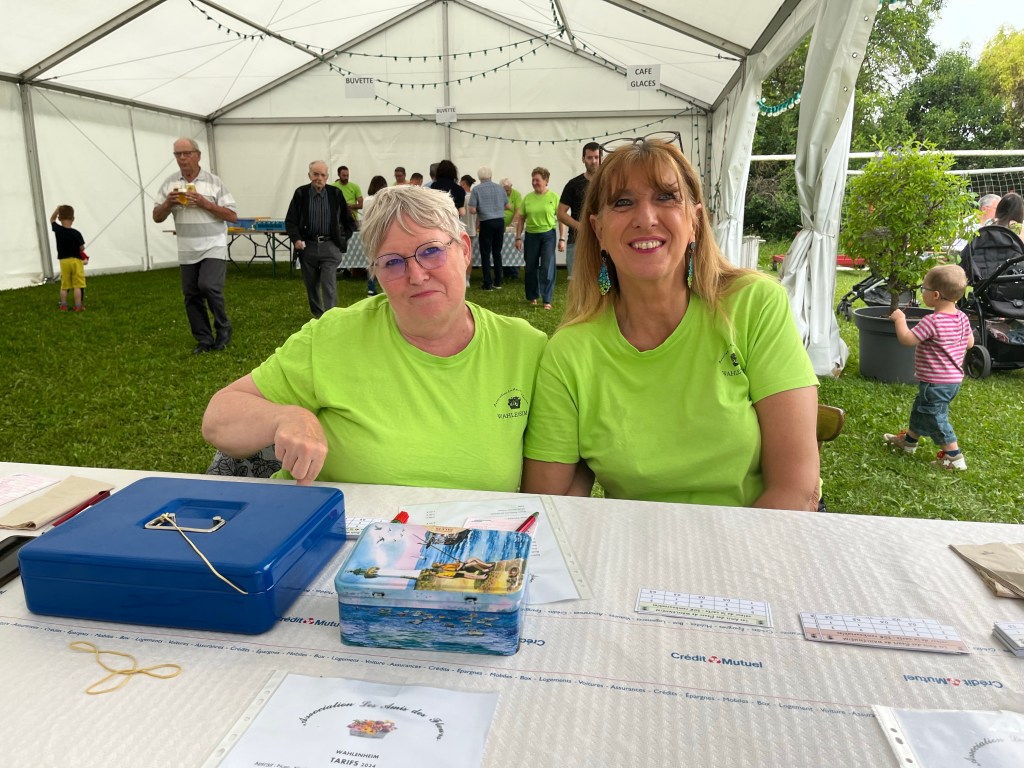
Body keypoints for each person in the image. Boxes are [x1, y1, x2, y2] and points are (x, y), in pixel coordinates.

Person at [521, 136, 820, 509]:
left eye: (666, 197)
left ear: (694, 222)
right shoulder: (569, 352)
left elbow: (796, 489)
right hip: (634, 540)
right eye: (623, 202)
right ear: (598, 231)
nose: (646, 218)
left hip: (756, 535)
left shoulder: (754, 305)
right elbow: (548, 503)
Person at [202, 185, 548, 491]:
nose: (416, 275)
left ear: (465, 250)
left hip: (477, 540)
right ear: (376, 275)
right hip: (339, 533)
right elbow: (219, 417)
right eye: (393, 262)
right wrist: (286, 418)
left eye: (431, 251)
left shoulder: (524, 348)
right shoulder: (334, 336)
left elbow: (551, 488)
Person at [884, 264, 974, 471]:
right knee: (921, 409)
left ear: (935, 295)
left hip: (935, 383)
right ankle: (909, 442)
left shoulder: (932, 321)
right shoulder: (962, 317)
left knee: (936, 417)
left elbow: (907, 339)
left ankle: (954, 457)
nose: (922, 292)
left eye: (923, 288)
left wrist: (900, 319)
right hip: (952, 381)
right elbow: (970, 343)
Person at [153, 137, 238, 354]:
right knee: (191, 294)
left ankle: (223, 328)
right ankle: (204, 339)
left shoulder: (214, 182)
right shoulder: (170, 184)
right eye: (178, 154)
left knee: (209, 286)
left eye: (186, 153)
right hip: (187, 249)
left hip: (213, 245)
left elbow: (232, 215)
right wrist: (168, 203)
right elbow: (157, 217)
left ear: (198, 155)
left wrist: (205, 203)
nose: (182, 158)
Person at [285, 160, 354, 318]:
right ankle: (318, 316)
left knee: (328, 283)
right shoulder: (301, 193)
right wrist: (296, 239)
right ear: (309, 175)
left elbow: (349, 221)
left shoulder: (335, 194)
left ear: (327, 177)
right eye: (316, 174)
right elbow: (290, 221)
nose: (319, 178)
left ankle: (330, 317)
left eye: (323, 175)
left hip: (330, 246)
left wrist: (342, 239)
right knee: (311, 285)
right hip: (307, 246)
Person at [515, 167, 562, 310]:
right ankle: (533, 296)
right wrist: (518, 237)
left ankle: (547, 299)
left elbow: (561, 219)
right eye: (533, 180)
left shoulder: (554, 197)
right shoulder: (528, 198)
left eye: (537, 180)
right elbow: (521, 219)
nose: (534, 183)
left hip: (548, 235)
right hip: (531, 235)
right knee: (530, 267)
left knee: (547, 267)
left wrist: (562, 239)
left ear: (546, 181)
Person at [558, 142, 602, 278]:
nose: (593, 161)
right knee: (577, 283)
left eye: (596, 157)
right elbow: (560, 213)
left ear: (601, 158)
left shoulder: (609, 183)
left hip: (604, 241)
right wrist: (581, 227)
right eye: (589, 157)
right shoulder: (573, 184)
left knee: (603, 284)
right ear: (583, 159)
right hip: (577, 241)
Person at [469, 167, 510, 290]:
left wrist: (483, 208)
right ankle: (498, 281)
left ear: (479, 177)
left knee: (485, 253)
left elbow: (472, 210)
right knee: (497, 252)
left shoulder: (476, 190)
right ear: (491, 176)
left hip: (486, 222)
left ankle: (487, 283)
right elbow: (507, 206)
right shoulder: (500, 188)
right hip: (499, 221)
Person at [50, 205, 86, 312]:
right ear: (73, 219)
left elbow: (52, 219)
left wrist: (57, 209)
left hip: (64, 261)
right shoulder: (76, 233)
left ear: (59, 218)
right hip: (76, 261)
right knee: (77, 285)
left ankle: (64, 306)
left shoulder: (58, 230)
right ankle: (78, 306)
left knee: (65, 285)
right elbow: (82, 248)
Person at [362, 176, 389, 295]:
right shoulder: (383, 200)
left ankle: (371, 288)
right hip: (382, 232)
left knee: (372, 261)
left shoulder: (367, 200)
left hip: (369, 233)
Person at [501, 178, 522, 281]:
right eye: (504, 190)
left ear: (511, 187)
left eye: (508, 189)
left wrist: (511, 225)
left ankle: (514, 272)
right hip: (500, 225)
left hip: (512, 227)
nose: (506, 192)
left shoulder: (516, 194)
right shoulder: (499, 194)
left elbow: (518, 212)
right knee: (502, 249)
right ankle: (505, 272)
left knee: (512, 248)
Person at [331, 165, 363, 230]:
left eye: (347, 175)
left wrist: (350, 206)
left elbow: (361, 205)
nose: (346, 177)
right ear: (338, 175)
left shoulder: (355, 187)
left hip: (352, 219)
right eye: (344, 175)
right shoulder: (333, 187)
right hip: (338, 220)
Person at [460, 174, 478, 287]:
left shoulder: (462, 197)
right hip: (472, 229)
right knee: (469, 255)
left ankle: (462, 277)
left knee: (461, 254)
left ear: (463, 183)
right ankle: (467, 279)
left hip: (462, 229)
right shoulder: (474, 196)